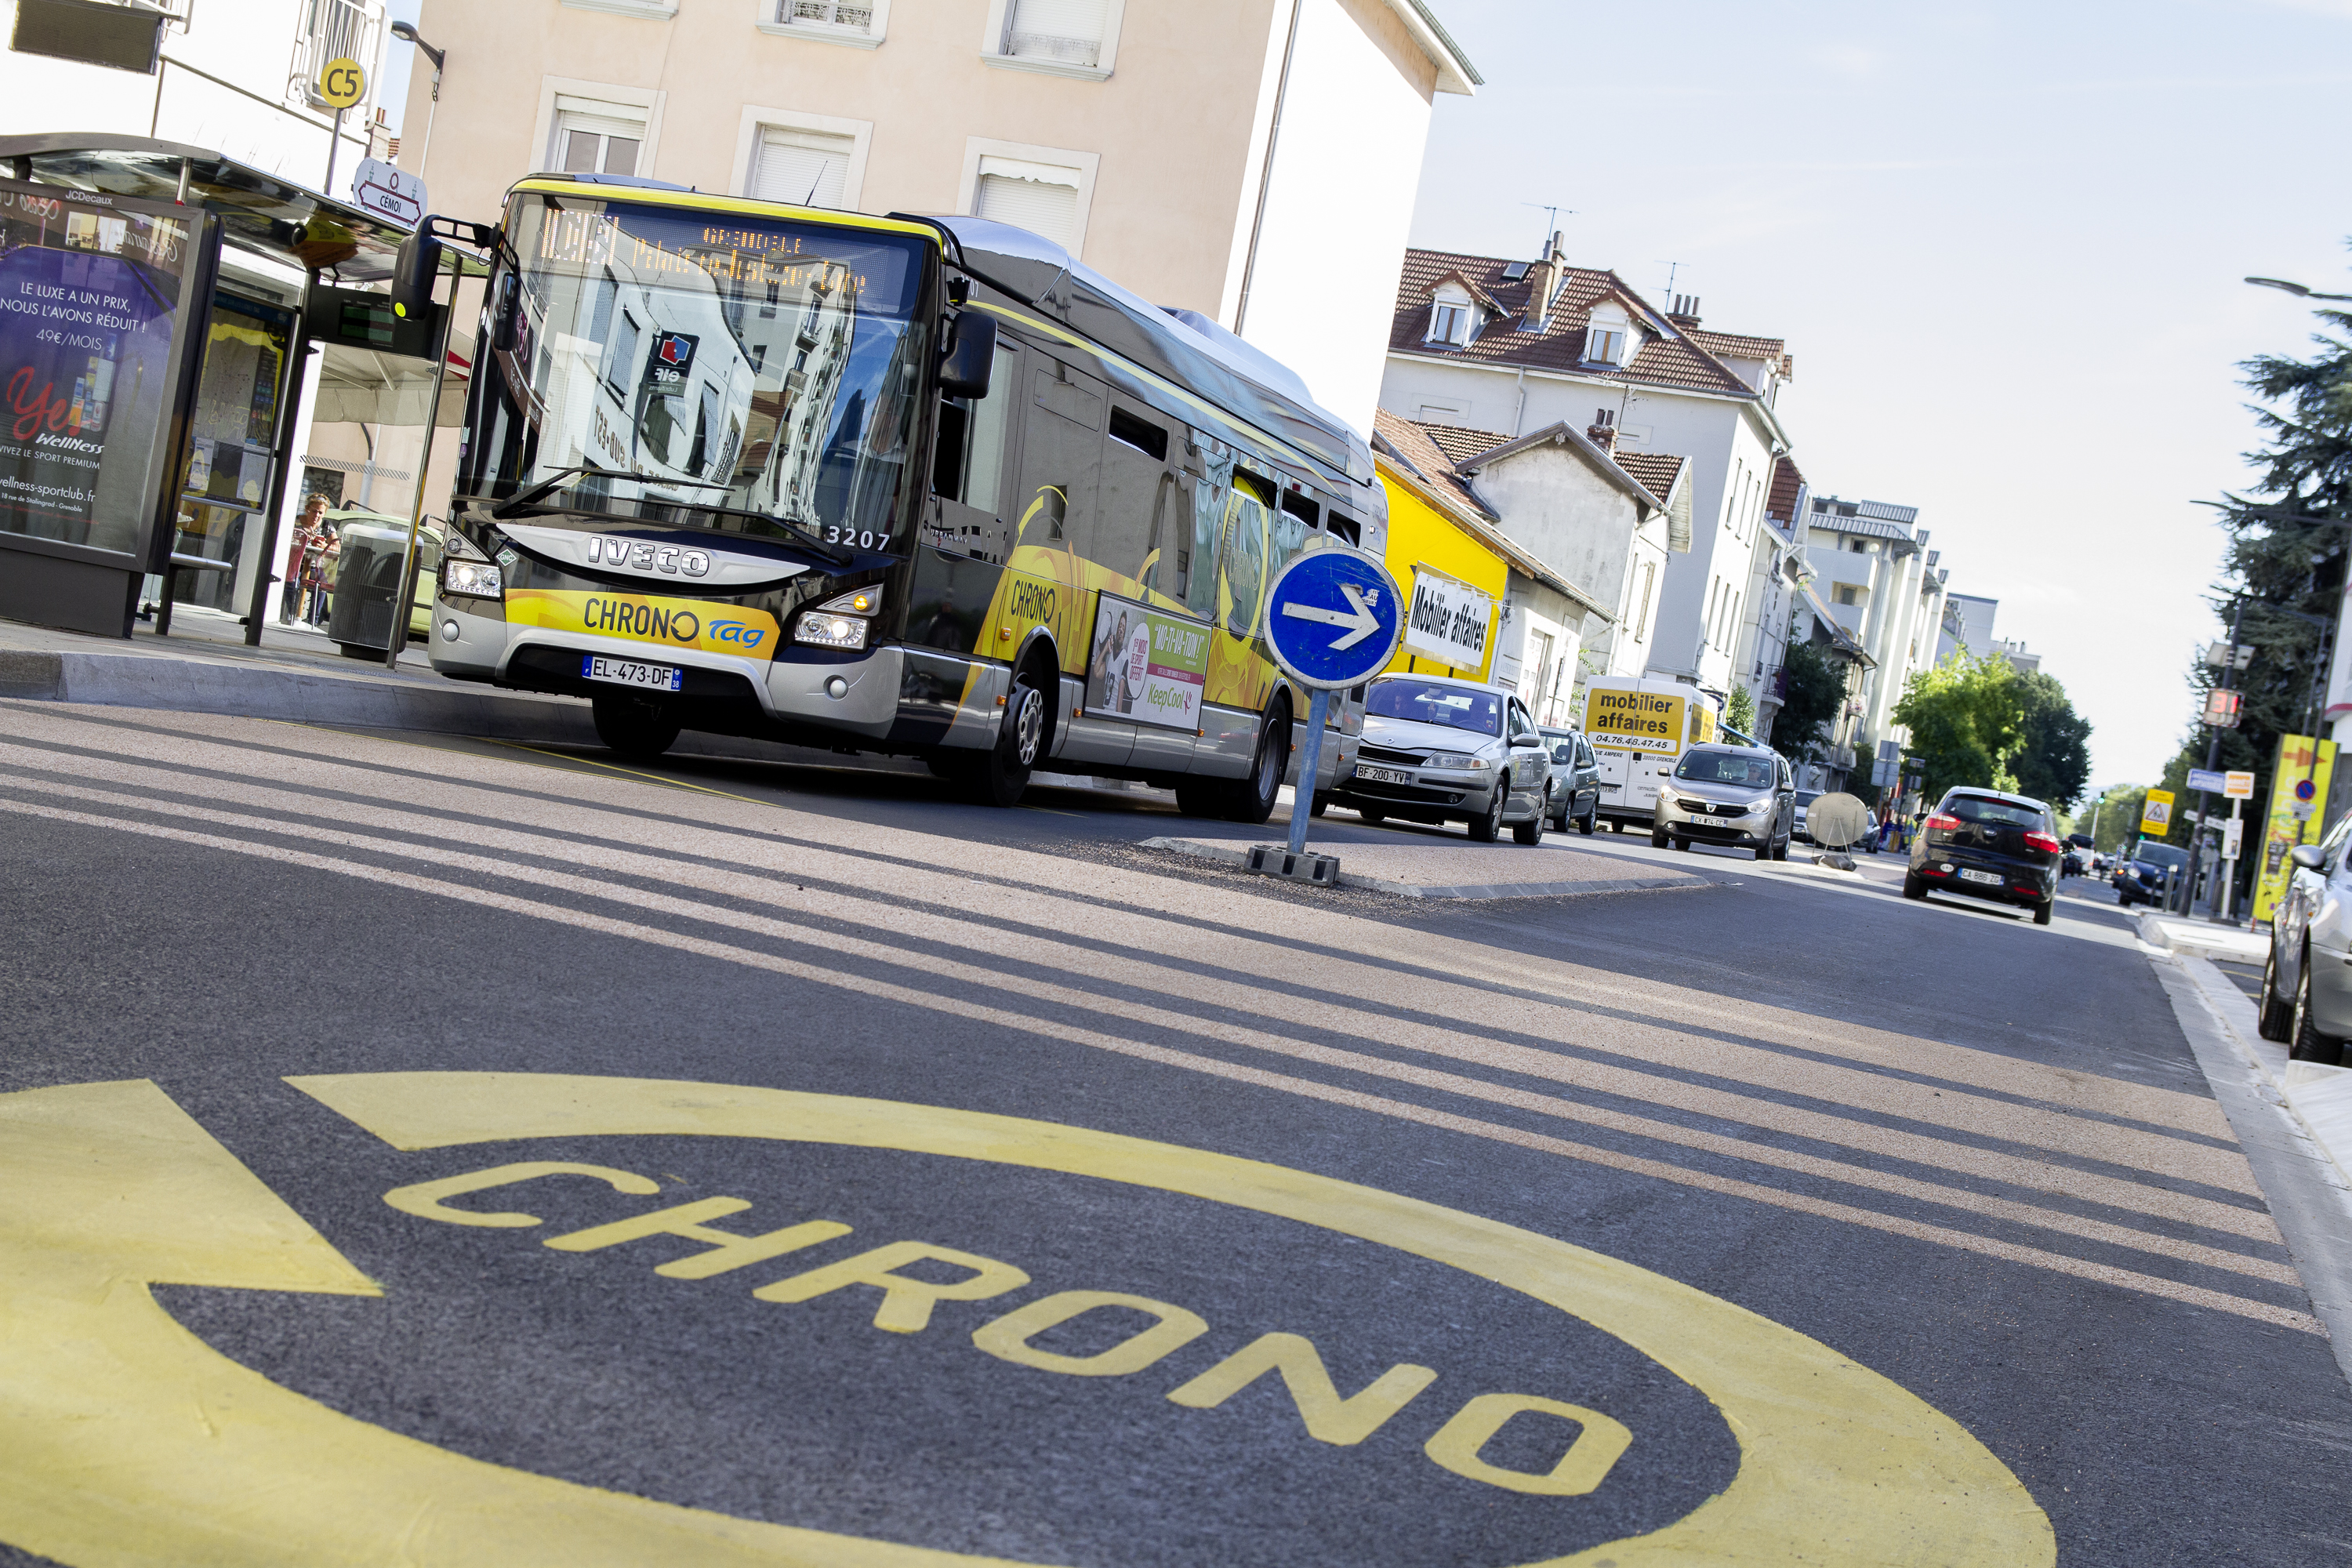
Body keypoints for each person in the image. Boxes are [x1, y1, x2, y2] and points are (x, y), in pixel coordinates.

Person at [281, 494, 327, 622]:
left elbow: (337, 545)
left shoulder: (326, 526)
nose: (317, 515)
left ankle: (313, 620)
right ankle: (294, 613)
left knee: (321, 583)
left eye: (320, 513)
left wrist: (323, 545)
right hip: (295, 564)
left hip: (313, 566)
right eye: (314, 511)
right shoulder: (295, 522)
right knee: (291, 581)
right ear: (307, 509)